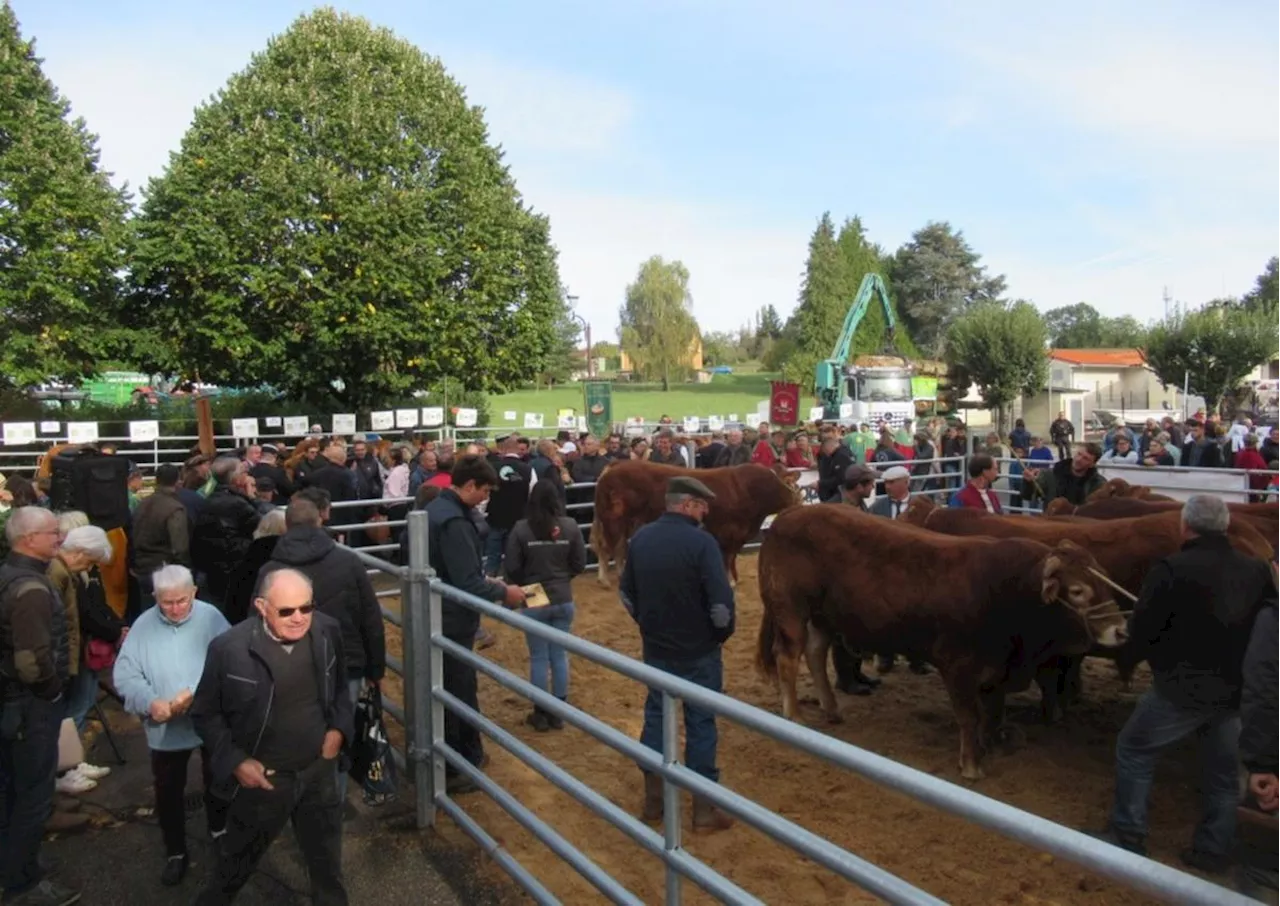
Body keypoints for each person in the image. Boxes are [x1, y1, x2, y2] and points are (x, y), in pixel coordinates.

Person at [1092, 496, 1278, 874]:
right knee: (1224, 775)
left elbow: (1143, 631)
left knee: (1134, 749)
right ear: (1227, 526)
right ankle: (1212, 849)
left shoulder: (1170, 569)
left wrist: (1148, 654)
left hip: (1180, 690)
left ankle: (1127, 833)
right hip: (1233, 692)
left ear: (1185, 526)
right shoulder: (1257, 571)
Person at [191, 569, 354, 906]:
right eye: (286, 611)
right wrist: (236, 761)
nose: (299, 618)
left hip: (317, 772)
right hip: (265, 782)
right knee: (235, 865)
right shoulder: (229, 649)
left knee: (326, 865)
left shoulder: (327, 631)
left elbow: (341, 688)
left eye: (306, 608)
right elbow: (205, 714)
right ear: (261, 607)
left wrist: (338, 731)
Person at [620, 476, 735, 832]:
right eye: (701, 507)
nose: (705, 513)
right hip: (699, 649)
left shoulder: (640, 539)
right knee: (701, 721)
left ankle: (654, 799)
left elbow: (627, 594)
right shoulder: (702, 544)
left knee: (657, 714)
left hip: (657, 647)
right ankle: (703, 810)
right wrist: (719, 635)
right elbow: (720, 606)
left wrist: (647, 625)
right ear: (686, 505)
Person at [259, 497, 385, 803]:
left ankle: (298, 800)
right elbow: (371, 616)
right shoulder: (349, 561)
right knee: (339, 729)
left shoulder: (271, 569)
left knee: (294, 730)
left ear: (286, 525)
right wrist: (376, 668)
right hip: (346, 663)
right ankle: (333, 802)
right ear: (320, 521)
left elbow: (258, 624)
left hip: (289, 667)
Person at [113, 565, 230, 886]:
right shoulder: (143, 625)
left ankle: (220, 831)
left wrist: (201, 695)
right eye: (167, 602)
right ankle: (175, 851)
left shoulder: (212, 618)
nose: (176, 608)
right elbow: (125, 675)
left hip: (208, 717)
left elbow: (232, 660)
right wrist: (150, 701)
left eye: (182, 600)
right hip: (164, 724)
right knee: (168, 789)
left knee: (219, 778)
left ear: (194, 592)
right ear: (155, 598)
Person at [426, 455, 525, 794]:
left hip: (437, 611)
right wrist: (503, 591)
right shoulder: (454, 521)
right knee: (460, 687)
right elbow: (466, 581)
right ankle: (464, 761)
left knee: (447, 684)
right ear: (469, 485)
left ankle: (452, 757)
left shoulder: (435, 509)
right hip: (453, 617)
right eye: (483, 491)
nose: (486, 498)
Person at [0, 507, 80, 906]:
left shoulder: (8, 575)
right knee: (32, 796)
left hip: (13, 705)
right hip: (30, 707)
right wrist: (51, 693)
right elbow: (33, 661)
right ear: (28, 538)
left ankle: (16, 864)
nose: (60, 539)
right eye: (53, 533)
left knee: (11, 790)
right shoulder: (31, 589)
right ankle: (22, 883)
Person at [503, 482, 586, 732]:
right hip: (562, 596)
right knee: (559, 654)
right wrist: (562, 579)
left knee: (539, 655)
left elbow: (513, 566)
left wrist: (527, 584)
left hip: (534, 595)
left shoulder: (521, 528)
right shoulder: (570, 526)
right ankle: (558, 710)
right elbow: (580, 563)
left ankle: (541, 712)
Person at [47, 525, 119, 794]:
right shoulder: (59, 574)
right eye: (89, 560)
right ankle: (65, 768)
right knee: (71, 712)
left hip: (73, 653)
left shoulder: (65, 572)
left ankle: (72, 763)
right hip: (67, 657)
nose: (89, 566)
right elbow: (71, 618)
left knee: (76, 708)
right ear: (79, 553)